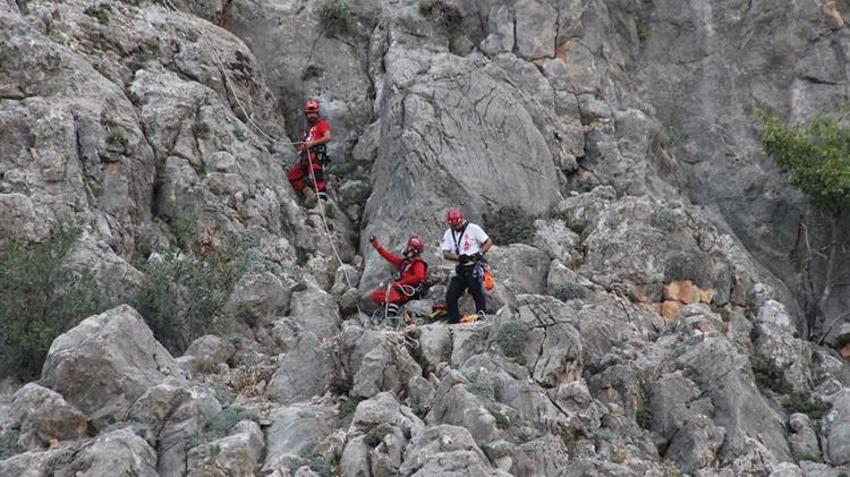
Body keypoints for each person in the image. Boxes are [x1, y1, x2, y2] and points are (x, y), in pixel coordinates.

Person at [440, 207, 493, 324]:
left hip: (473, 266)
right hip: (461, 267)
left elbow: (488, 241)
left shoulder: (473, 228)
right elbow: (445, 253)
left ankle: (481, 317)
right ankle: (454, 321)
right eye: (453, 225)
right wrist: (458, 257)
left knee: (477, 291)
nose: (456, 227)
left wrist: (479, 253)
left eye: (458, 224)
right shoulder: (449, 233)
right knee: (451, 296)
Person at [369, 234, 429, 317]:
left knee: (393, 290)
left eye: (408, 246)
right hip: (401, 291)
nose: (406, 248)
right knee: (375, 295)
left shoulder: (418, 263)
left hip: (410, 291)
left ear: (412, 249)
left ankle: (391, 317)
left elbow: (419, 277)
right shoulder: (406, 262)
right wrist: (377, 246)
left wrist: (401, 283)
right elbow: (391, 258)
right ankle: (392, 305)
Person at [287, 98, 332, 206]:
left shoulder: (321, 124)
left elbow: (328, 137)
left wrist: (312, 144)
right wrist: (304, 146)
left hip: (315, 156)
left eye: (313, 113)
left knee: (318, 180)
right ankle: (308, 192)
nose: (311, 115)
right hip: (306, 158)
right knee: (292, 176)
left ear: (317, 113)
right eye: (309, 113)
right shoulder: (308, 129)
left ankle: (322, 206)